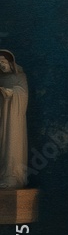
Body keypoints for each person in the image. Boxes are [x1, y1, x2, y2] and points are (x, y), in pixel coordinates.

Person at [0, 50, 28, 189]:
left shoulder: (20, 77)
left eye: (3, 62)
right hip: (2, 118)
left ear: (11, 63)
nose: (1, 65)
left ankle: (12, 176)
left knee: (12, 145)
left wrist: (12, 93)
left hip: (13, 119)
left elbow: (23, 95)